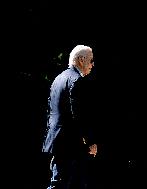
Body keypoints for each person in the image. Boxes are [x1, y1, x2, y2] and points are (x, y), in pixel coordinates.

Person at [42, 45, 98, 189]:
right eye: (91, 61)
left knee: (60, 182)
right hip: (71, 145)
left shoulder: (58, 78)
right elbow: (79, 115)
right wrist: (90, 142)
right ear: (81, 60)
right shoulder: (77, 80)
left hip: (58, 141)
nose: (93, 65)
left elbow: (51, 111)